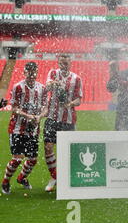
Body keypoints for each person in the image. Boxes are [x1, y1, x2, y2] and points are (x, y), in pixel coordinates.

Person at [2, 62, 47, 194]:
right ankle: (5, 182)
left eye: (34, 72)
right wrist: (27, 116)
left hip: (33, 129)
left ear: (37, 72)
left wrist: (39, 117)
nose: (32, 75)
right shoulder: (18, 87)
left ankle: (21, 178)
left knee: (32, 160)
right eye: (29, 72)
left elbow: (45, 108)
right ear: (25, 72)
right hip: (17, 128)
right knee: (17, 158)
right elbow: (14, 108)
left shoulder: (42, 89)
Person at [44, 54, 83, 192]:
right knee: (48, 147)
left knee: (68, 151)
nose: (63, 65)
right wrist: (54, 83)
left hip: (68, 120)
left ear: (70, 63)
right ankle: (54, 177)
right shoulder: (53, 73)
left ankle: (69, 179)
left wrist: (70, 104)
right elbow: (47, 87)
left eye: (66, 63)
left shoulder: (76, 78)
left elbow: (79, 99)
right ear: (58, 62)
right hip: (52, 118)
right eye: (61, 63)